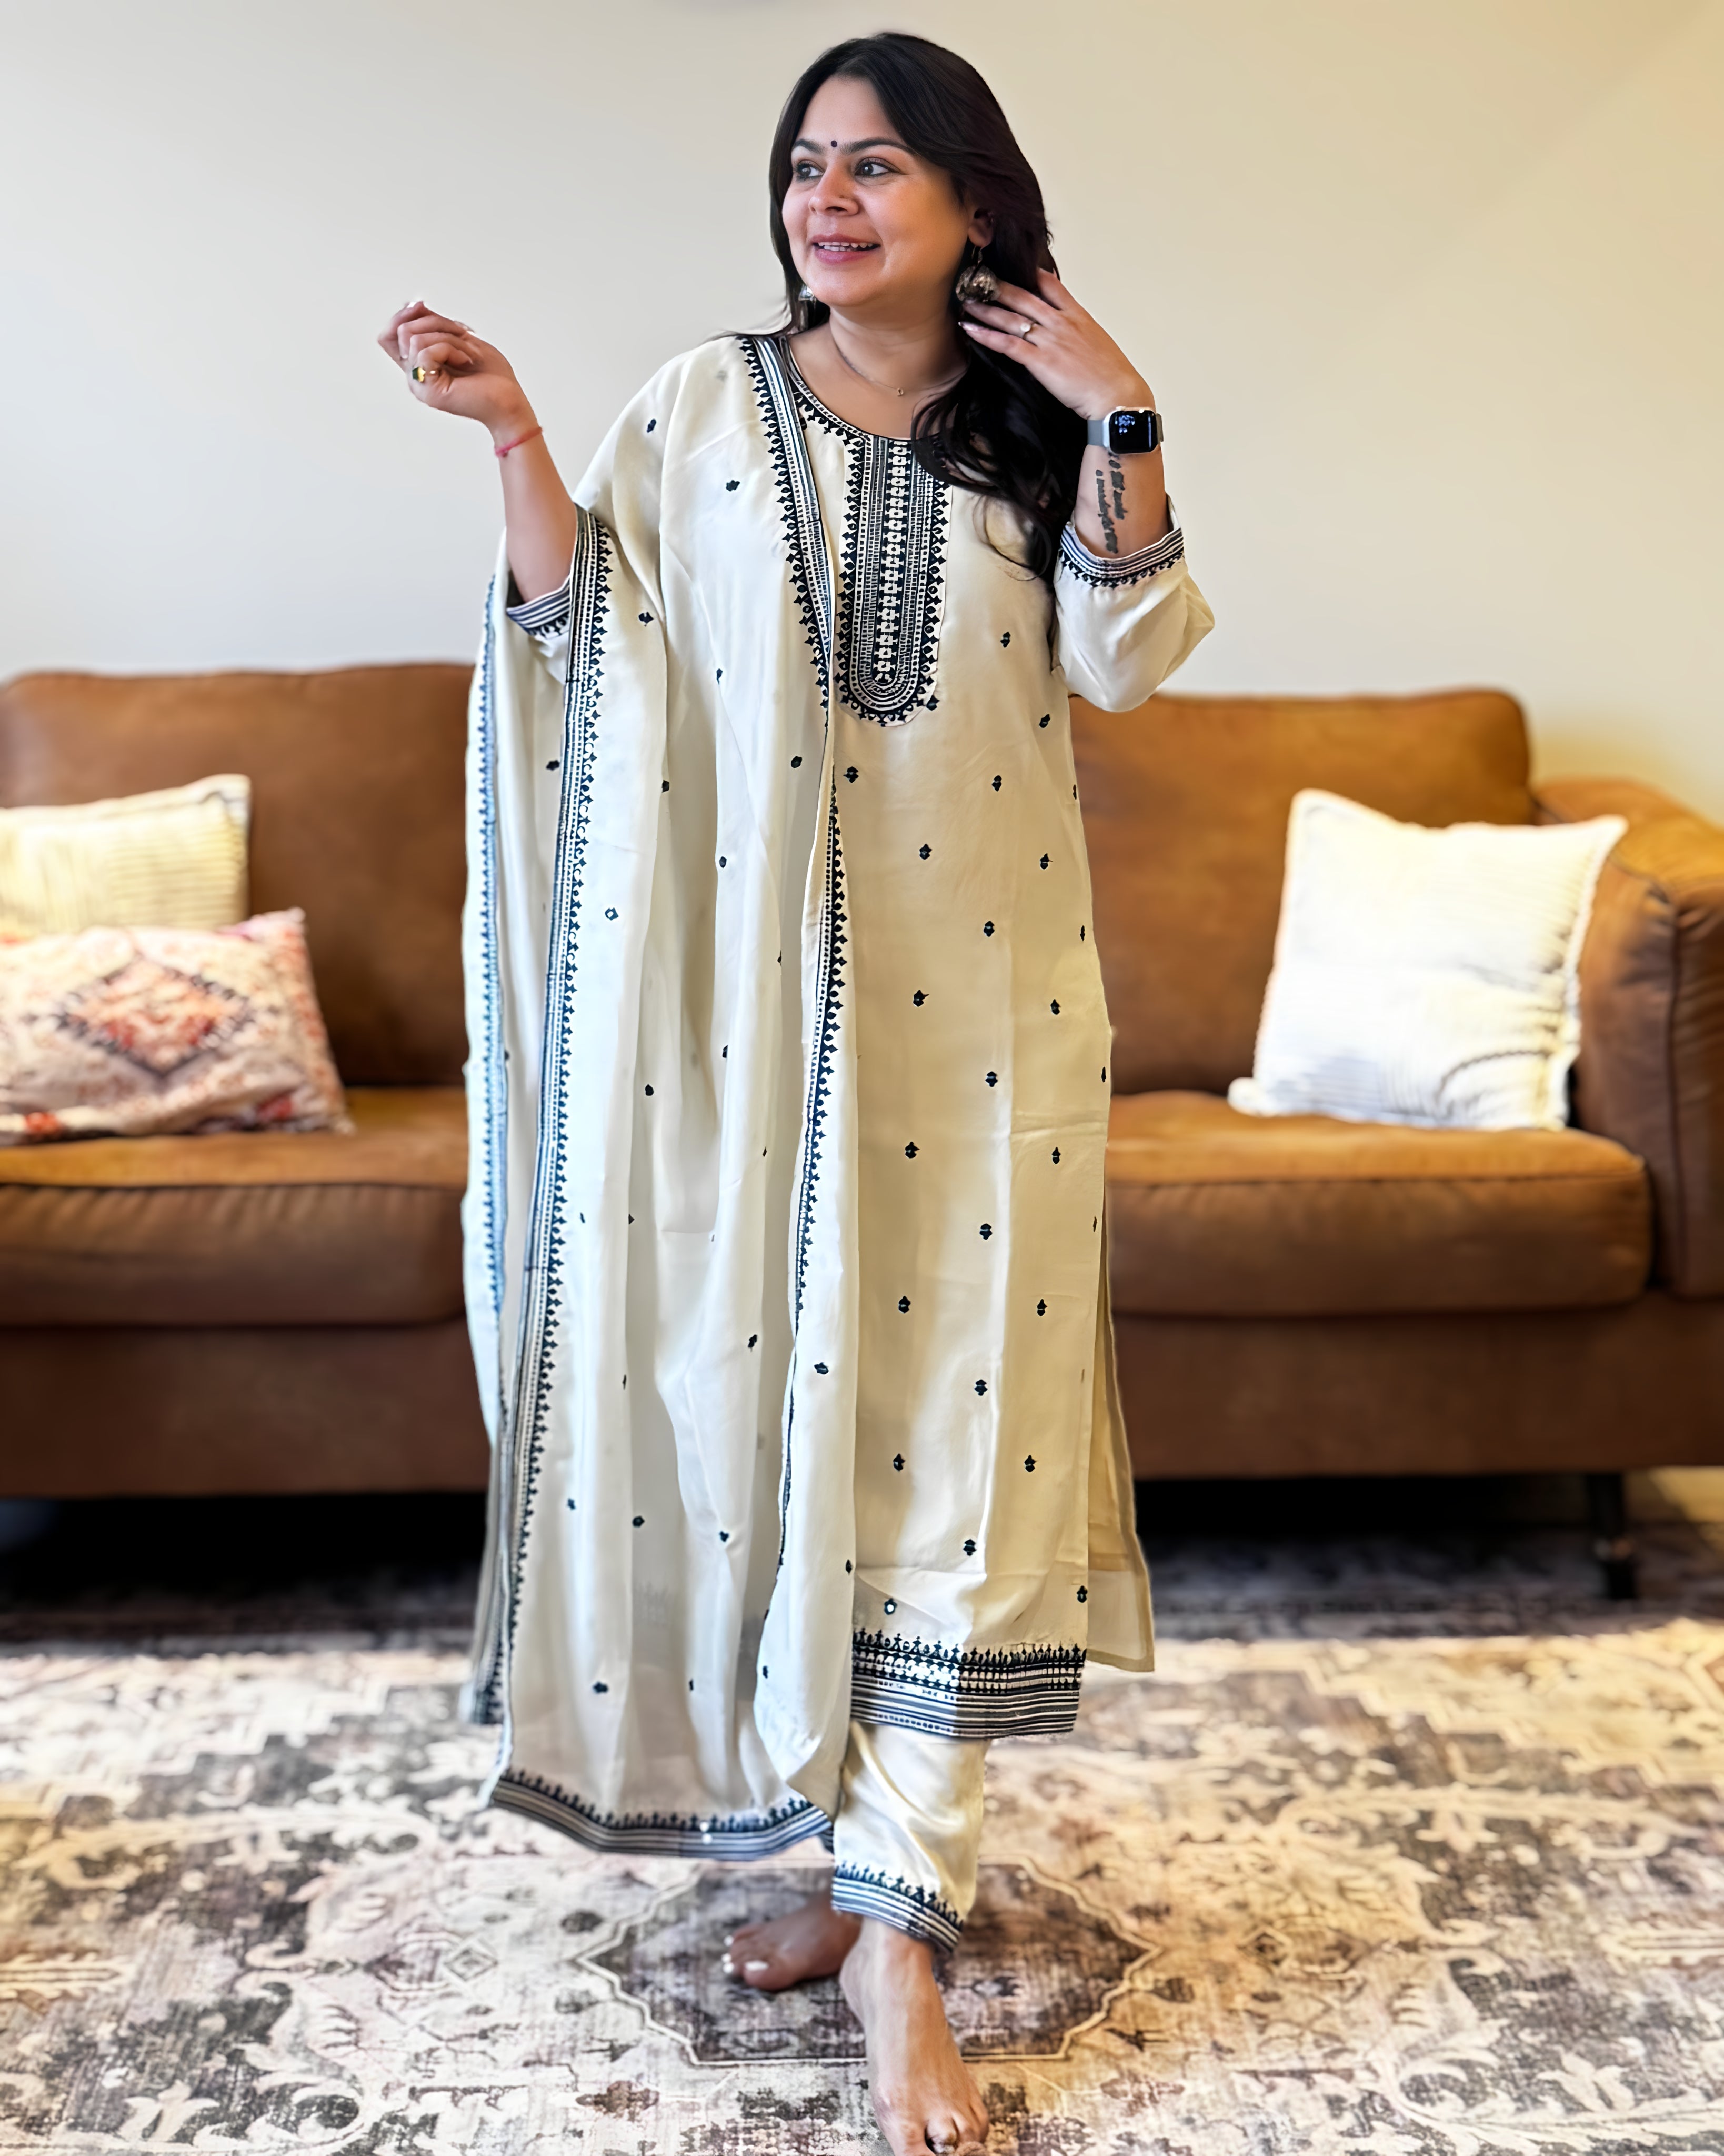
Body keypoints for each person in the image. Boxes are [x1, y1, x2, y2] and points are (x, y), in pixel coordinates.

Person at [380, 32, 1210, 2156]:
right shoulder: (696, 413)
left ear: (973, 209)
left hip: (997, 1029)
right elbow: (594, 648)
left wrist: (1119, 399)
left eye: (875, 169)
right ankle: (866, 1887)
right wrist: (517, 442)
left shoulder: (1038, 435)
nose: (824, 203)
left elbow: (1136, 655)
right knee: (791, 1434)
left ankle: (898, 1948)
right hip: (755, 1048)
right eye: (802, 169)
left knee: (955, 1461)